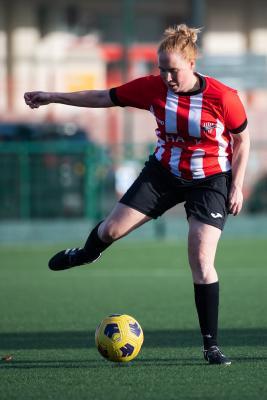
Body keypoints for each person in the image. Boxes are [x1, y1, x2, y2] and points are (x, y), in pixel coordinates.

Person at [24, 24, 250, 365]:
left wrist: (236, 184)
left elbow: (242, 139)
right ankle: (86, 253)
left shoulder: (223, 97)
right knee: (111, 231)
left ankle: (211, 346)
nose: (166, 77)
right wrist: (53, 96)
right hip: (163, 173)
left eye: (172, 70)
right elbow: (104, 97)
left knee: (202, 260)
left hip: (210, 180)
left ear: (191, 63)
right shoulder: (152, 88)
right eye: (161, 69)